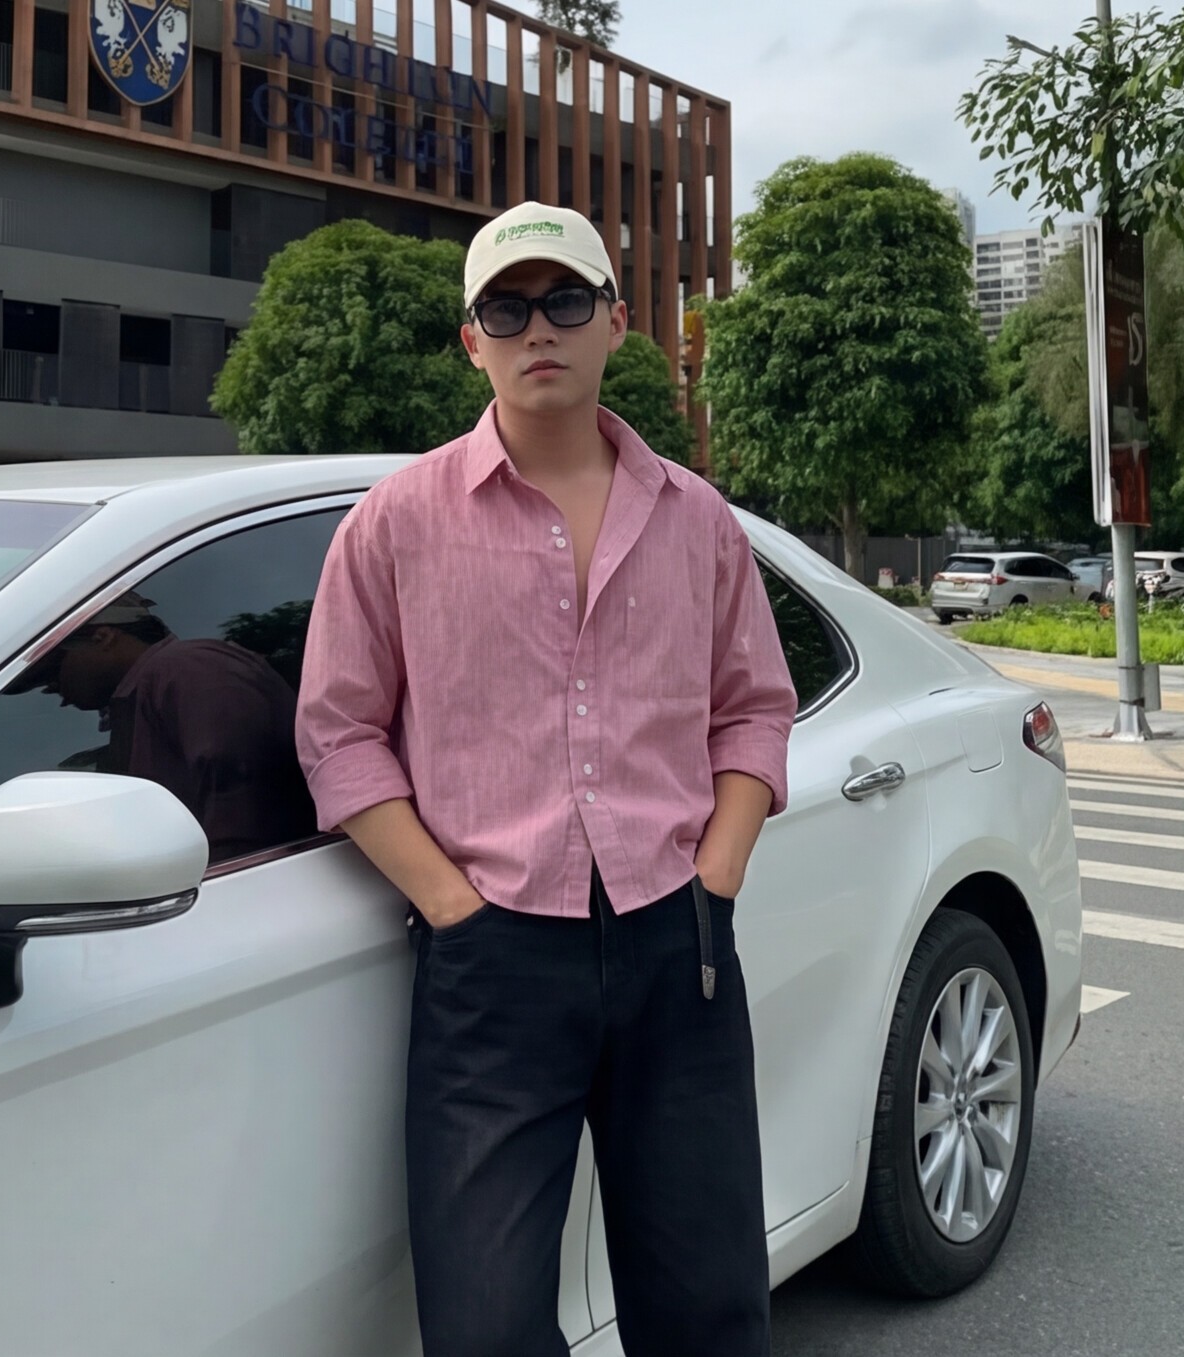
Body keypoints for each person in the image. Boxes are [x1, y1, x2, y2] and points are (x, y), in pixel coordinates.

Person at [295, 201, 797, 1356]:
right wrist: (449, 904)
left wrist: (715, 879)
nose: (538, 330)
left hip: (677, 939)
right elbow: (337, 733)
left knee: (709, 1307)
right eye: (507, 308)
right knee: (484, 1324)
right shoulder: (395, 524)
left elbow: (753, 708)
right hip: (492, 952)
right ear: (470, 339)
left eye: (565, 300)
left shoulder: (697, 520)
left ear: (617, 322)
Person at [10, 593, 313, 861]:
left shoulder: (188, 669)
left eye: (52, 672)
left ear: (102, 637)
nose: (55, 692)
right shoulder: (147, 694)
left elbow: (241, 808)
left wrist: (218, 882)